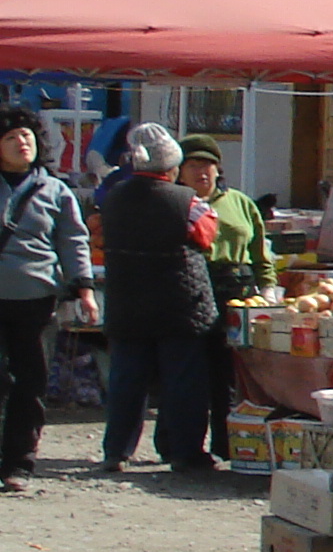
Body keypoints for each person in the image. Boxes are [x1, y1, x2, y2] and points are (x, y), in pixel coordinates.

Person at [101, 123, 219, 475]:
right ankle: (184, 453)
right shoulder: (188, 203)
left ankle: (116, 451)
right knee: (182, 381)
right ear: (172, 167)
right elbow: (206, 237)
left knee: (126, 380)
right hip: (178, 305)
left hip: (127, 302)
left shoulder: (114, 197)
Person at [0, 105, 92, 491]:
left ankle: (18, 463)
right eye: (10, 137)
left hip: (35, 299)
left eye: (27, 136)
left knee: (29, 381)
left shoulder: (54, 190)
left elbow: (73, 240)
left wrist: (84, 288)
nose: (22, 142)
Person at [180, 137, 272, 460]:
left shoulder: (241, 203)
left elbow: (261, 253)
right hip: (192, 290)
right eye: (192, 165)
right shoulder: (178, 204)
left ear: (219, 169)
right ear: (179, 172)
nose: (201, 172)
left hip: (237, 293)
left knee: (229, 375)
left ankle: (227, 444)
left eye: (207, 165)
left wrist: (268, 288)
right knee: (191, 372)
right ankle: (185, 448)